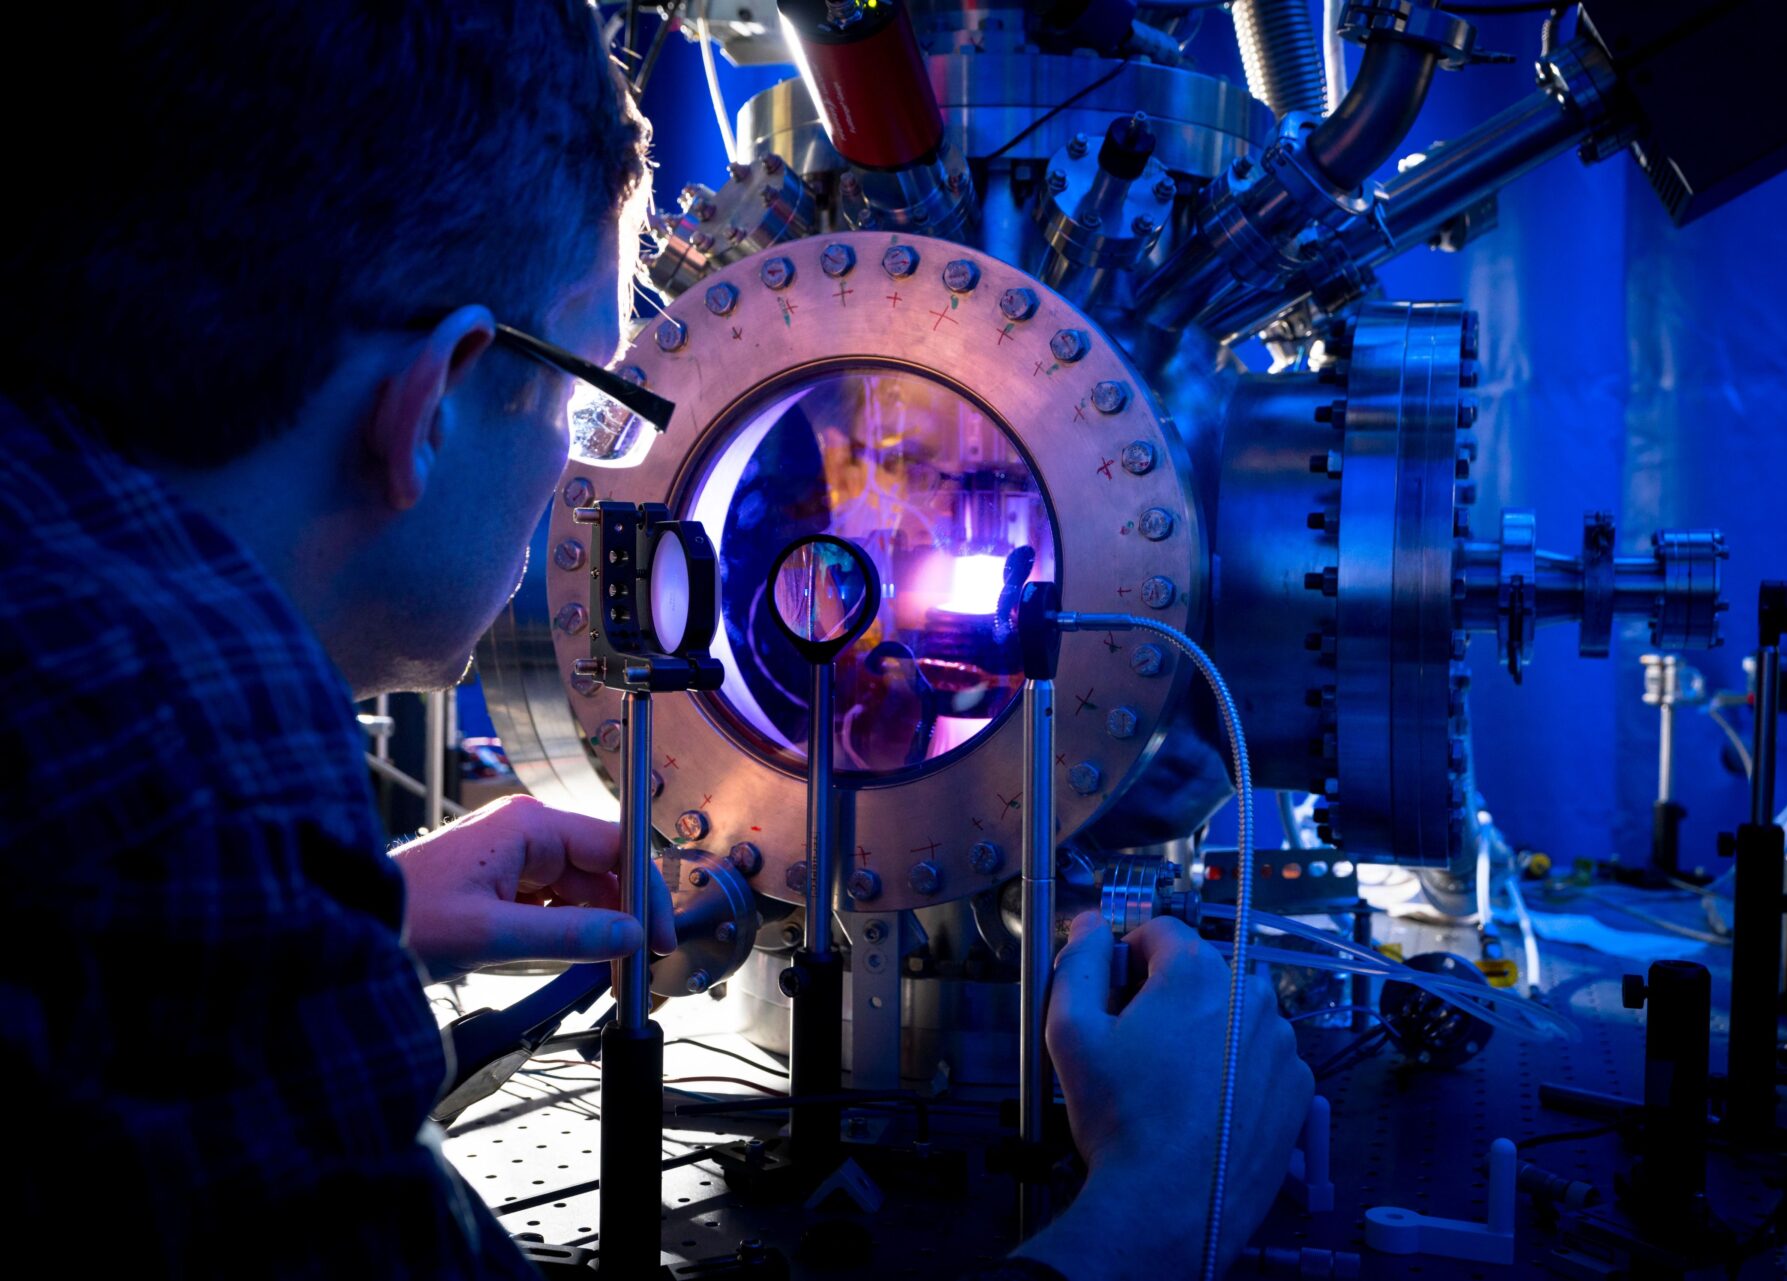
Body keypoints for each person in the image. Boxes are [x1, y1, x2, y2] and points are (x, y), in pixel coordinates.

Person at [0, 3, 1312, 1277]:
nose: (590, 476)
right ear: (435, 402)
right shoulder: (195, 754)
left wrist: (356, 920)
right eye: (588, 400)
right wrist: (1152, 1208)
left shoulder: (71, 594)